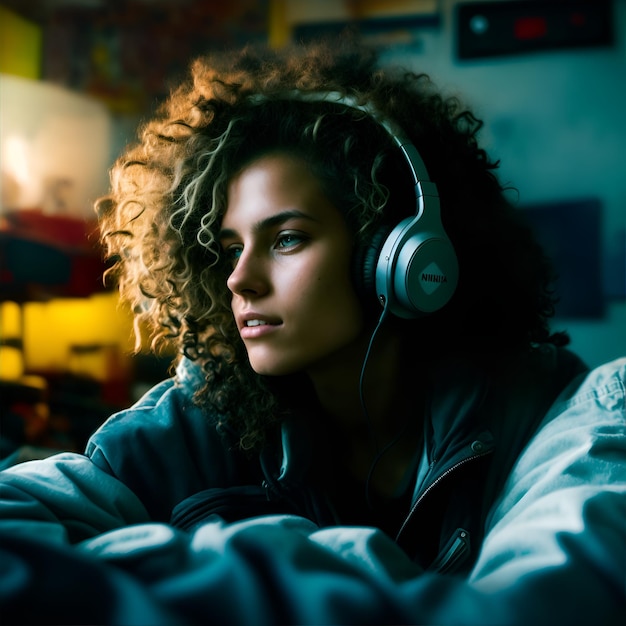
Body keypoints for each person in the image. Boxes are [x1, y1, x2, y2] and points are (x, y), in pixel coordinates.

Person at [1, 36, 625, 625]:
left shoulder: (561, 418)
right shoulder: (196, 424)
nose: (239, 280)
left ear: (399, 257)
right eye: (228, 249)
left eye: (287, 239)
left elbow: (541, 607)